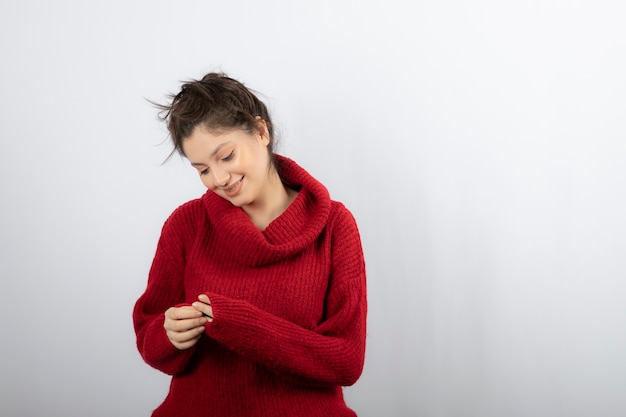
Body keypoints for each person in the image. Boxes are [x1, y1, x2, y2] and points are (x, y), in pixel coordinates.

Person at [133, 72, 367, 417]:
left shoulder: (334, 225)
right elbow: (150, 340)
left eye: (226, 156)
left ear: (260, 131)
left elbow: (346, 361)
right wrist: (168, 333)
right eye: (202, 169)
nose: (219, 179)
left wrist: (242, 326)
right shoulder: (186, 225)